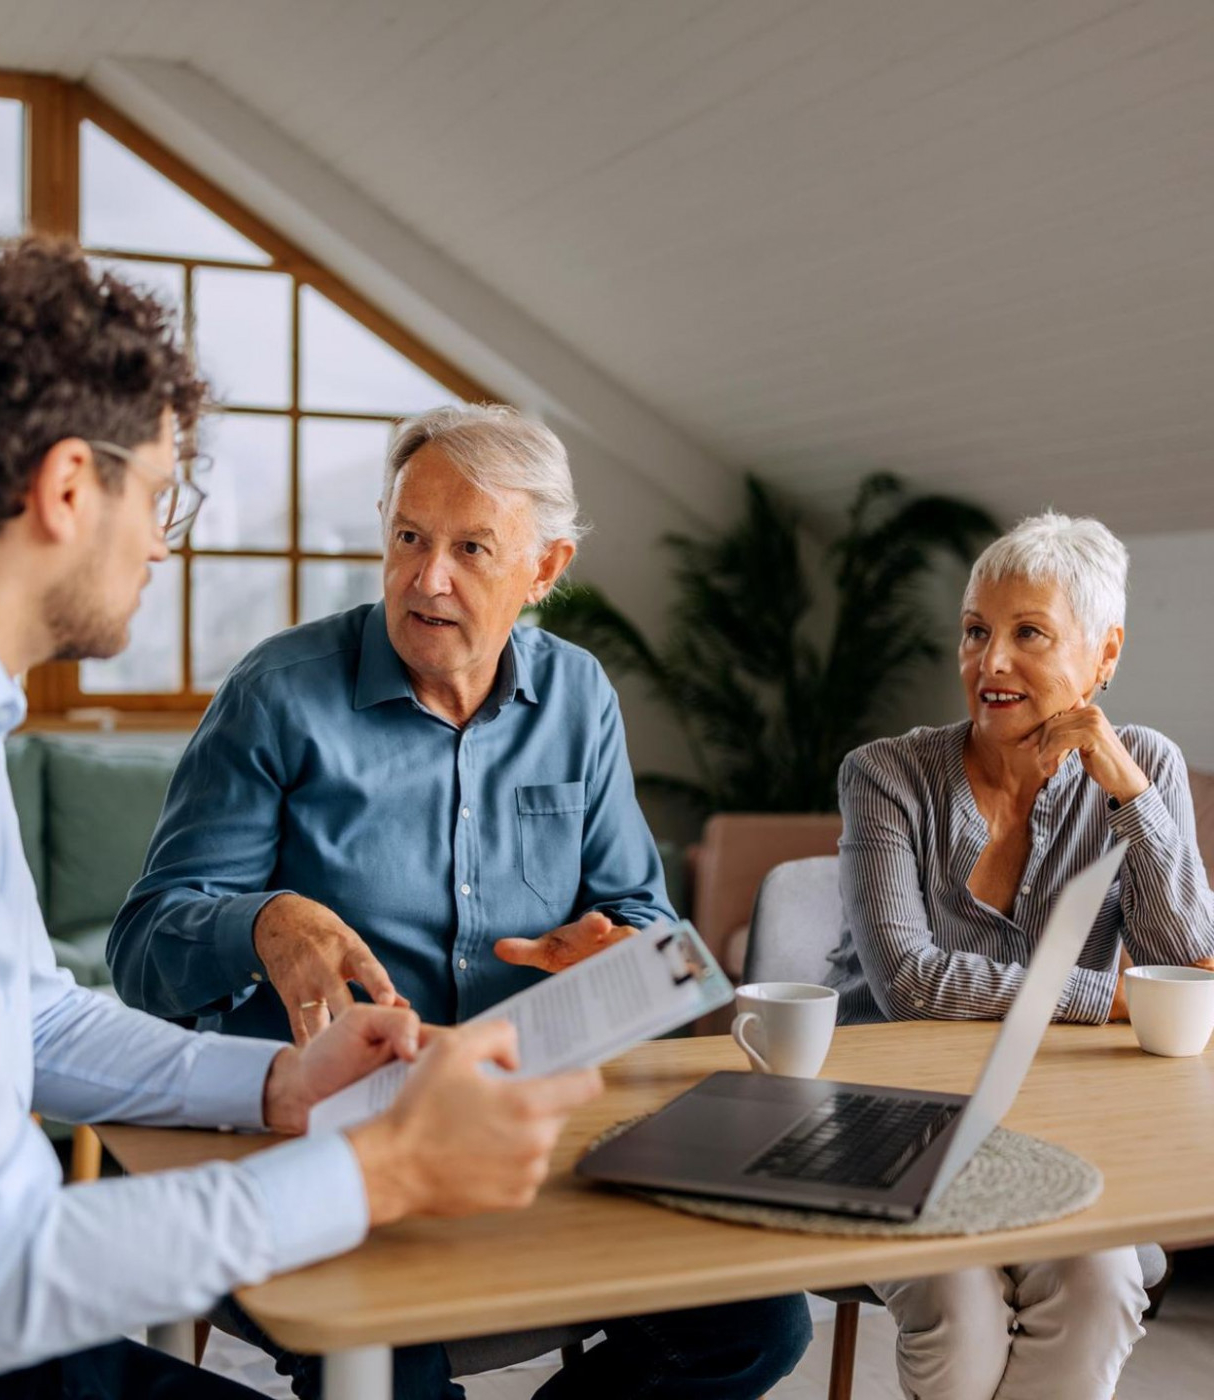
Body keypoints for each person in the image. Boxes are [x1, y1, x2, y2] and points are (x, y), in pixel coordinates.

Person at [0, 238, 605, 1400]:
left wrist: (276, 1082)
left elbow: (27, 1018)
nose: (163, 541)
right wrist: (381, 1169)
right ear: (70, 486)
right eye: (162, 493)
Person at [108, 403, 812, 1397]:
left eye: (470, 547)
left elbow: (652, 926)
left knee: (755, 1323)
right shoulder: (277, 693)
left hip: (536, 1137)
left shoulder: (579, 697)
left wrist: (614, 952)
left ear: (544, 568)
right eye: (407, 538)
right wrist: (263, 921)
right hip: (334, 1147)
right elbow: (143, 945)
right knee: (390, 1368)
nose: (425, 578)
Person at [826, 510, 1214, 1400]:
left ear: (1104, 653)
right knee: (960, 1306)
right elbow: (911, 985)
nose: (988, 663)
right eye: (975, 632)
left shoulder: (1146, 766)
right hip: (891, 1121)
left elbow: (1188, 970)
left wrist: (1126, 793)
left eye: (1027, 633)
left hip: (1058, 1124)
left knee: (1101, 1282)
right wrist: (1106, 997)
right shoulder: (885, 776)